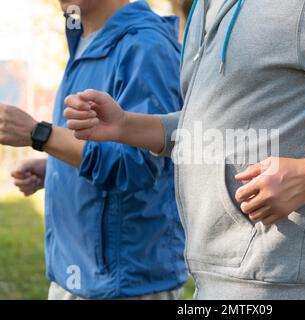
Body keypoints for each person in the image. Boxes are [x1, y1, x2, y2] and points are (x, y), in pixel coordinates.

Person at [64, 0, 305, 299]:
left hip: (275, 277)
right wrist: (127, 126)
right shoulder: (205, 8)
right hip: (211, 268)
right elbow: (211, 127)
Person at [0, 0, 187, 299]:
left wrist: (39, 134)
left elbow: (138, 165)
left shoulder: (146, 47)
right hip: (73, 276)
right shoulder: (81, 37)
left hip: (125, 285)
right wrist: (56, 167)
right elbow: (97, 144)